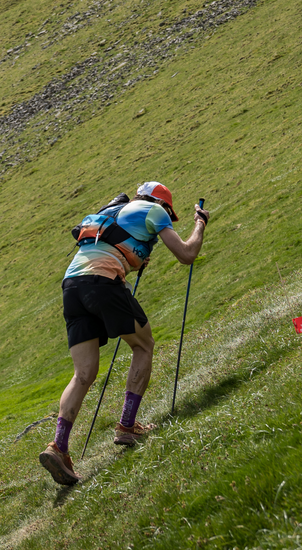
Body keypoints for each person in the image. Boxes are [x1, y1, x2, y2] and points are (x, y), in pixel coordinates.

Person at [39, 181, 209, 486]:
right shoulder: (154, 210)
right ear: (164, 206)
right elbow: (186, 254)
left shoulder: (111, 211)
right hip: (103, 283)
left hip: (72, 288)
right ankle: (127, 427)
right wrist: (200, 224)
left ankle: (58, 447)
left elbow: (113, 245)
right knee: (143, 346)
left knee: (83, 373)